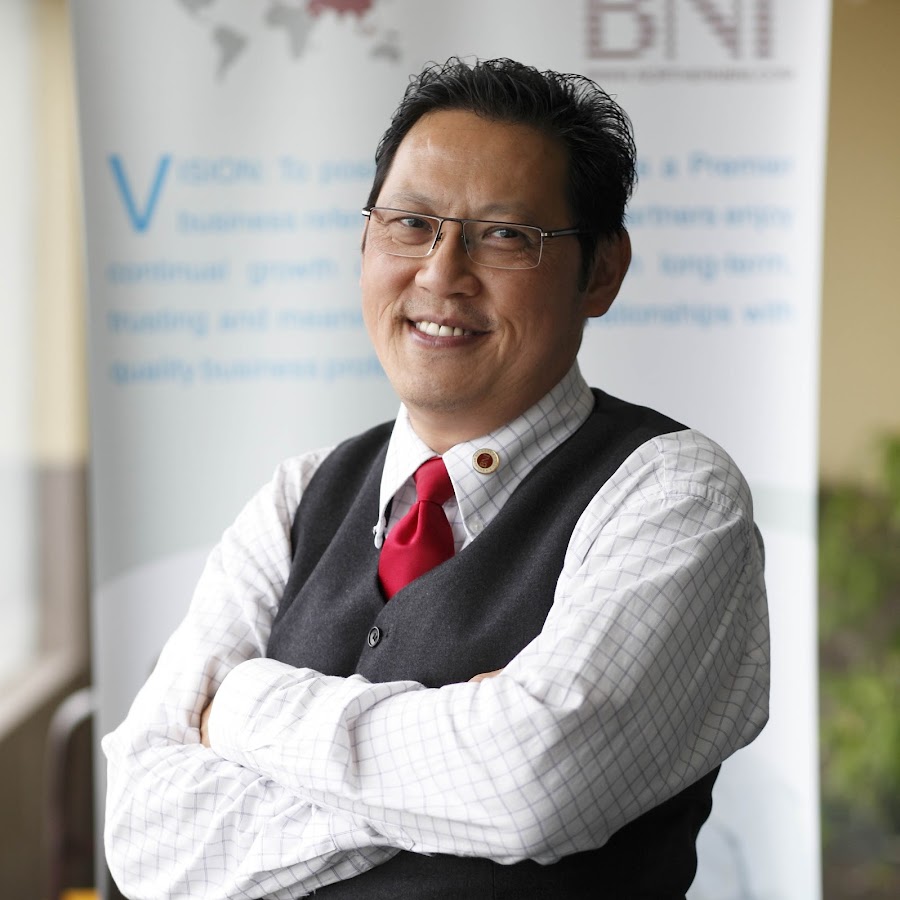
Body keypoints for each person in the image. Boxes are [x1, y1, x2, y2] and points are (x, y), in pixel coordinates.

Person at [103, 57, 769, 899]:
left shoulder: (673, 497)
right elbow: (142, 834)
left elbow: (530, 786)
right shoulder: (299, 497)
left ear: (602, 271)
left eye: (505, 235)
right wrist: (456, 771)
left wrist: (239, 709)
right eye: (411, 223)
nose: (441, 273)